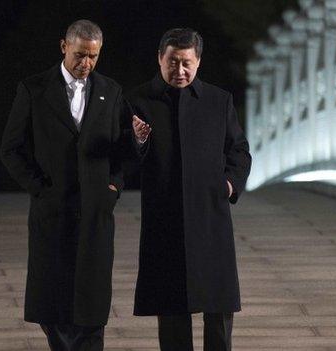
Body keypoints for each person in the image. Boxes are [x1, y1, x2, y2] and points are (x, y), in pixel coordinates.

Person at [0, 19, 124, 351]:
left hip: (96, 212)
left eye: (94, 57)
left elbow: (121, 149)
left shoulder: (111, 91)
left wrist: (113, 187)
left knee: (94, 300)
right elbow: (11, 149)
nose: (86, 64)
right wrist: (40, 188)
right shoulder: (33, 88)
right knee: (51, 300)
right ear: (63, 47)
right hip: (52, 211)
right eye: (80, 55)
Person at [126, 28, 252, 351]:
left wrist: (230, 183)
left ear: (198, 61)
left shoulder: (217, 99)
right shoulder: (139, 100)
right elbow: (123, 158)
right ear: (159, 58)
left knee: (219, 309)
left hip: (210, 217)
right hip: (165, 219)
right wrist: (137, 140)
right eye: (172, 62)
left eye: (186, 63)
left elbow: (238, 150)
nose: (179, 71)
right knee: (172, 313)